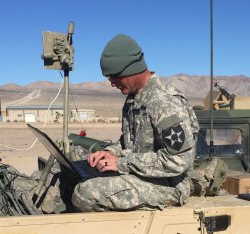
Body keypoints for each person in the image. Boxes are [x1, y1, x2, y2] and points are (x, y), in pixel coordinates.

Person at [71, 34, 199, 211]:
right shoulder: (134, 98)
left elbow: (178, 160)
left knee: (86, 193)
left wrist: (122, 163)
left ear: (133, 69)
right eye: (110, 80)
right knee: (75, 166)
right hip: (141, 175)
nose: (113, 85)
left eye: (116, 78)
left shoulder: (164, 102)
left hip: (168, 185)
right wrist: (109, 152)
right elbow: (128, 142)